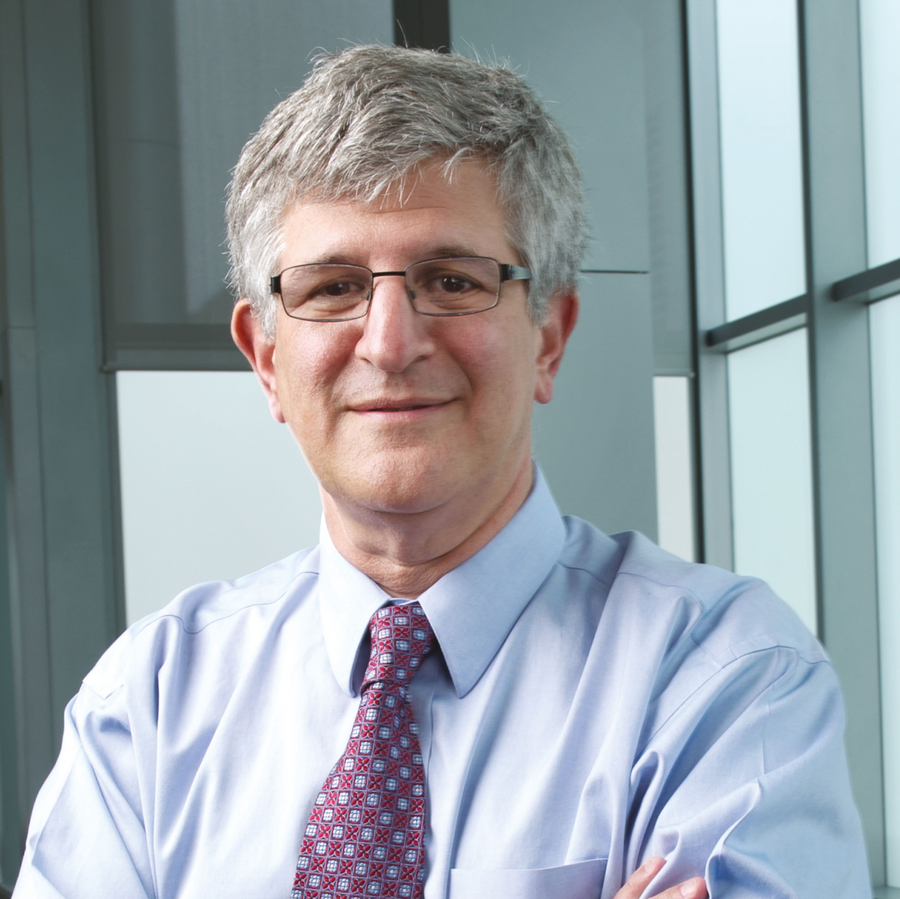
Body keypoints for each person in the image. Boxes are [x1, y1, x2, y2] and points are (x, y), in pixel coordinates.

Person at [13, 45, 869, 899]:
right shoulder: (149, 703)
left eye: (452, 280)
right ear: (266, 358)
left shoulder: (725, 676)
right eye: (333, 287)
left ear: (549, 337)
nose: (389, 343)